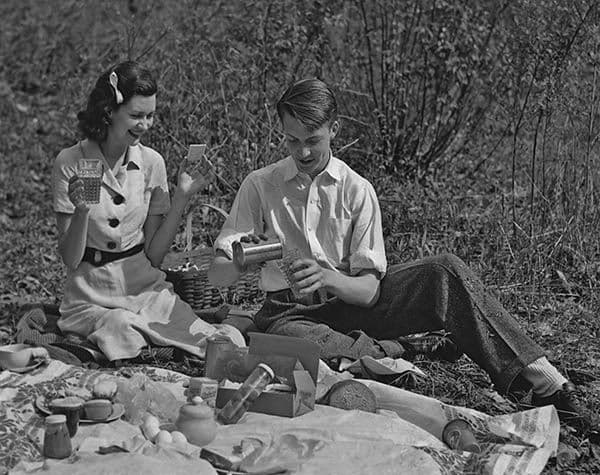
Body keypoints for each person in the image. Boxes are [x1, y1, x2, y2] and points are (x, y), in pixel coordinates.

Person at [208, 78, 598, 436]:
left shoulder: (357, 191)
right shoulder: (260, 185)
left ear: (335, 130)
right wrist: (244, 258)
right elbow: (218, 278)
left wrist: (326, 276)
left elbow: (367, 293)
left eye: (312, 139)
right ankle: (402, 350)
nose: (303, 151)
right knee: (295, 346)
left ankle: (546, 381)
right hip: (288, 314)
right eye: (292, 141)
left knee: (443, 270)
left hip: (349, 302)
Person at [52, 60, 244, 362]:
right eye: (136, 115)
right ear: (109, 112)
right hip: (89, 295)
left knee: (214, 337)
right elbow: (70, 258)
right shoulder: (70, 162)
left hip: (144, 289)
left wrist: (181, 197)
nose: (145, 124)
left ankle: (148, 341)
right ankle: (138, 341)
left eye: (151, 115)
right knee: (121, 329)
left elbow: (154, 256)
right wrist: (81, 212)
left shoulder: (151, 162)